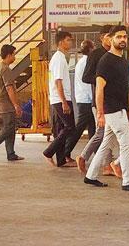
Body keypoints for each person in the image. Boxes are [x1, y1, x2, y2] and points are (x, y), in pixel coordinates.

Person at [84, 25, 129, 192]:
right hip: (111, 110)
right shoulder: (105, 61)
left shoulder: (123, 61)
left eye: (125, 37)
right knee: (125, 144)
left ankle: (90, 176)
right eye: (119, 37)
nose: (123, 39)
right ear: (111, 39)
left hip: (121, 109)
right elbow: (99, 88)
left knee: (106, 143)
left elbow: (125, 88)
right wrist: (101, 113)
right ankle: (127, 181)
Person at [76, 26, 115, 174]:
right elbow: (86, 77)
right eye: (108, 36)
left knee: (108, 133)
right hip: (99, 101)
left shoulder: (115, 54)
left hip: (113, 101)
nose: (111, 39)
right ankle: (85, 156)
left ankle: (107, 165)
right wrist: (102, 80)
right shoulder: (96, 54)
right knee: (102, 132)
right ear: (101, 38)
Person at [0, 44, 24, 161]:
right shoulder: (5, 69)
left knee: (11, 128)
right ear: (9, 55)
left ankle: (11, 153)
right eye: (14, 54)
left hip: (0, 101)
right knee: (8, 128)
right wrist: (16, 104)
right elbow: (9, 88)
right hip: (6, 103)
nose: (15, 57)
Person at [42, 30, 76, 167]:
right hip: (60, 99)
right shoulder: (59, 58)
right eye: (69, 40)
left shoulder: (60, 57)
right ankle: (48, 152)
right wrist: (64, 102)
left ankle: (61, 160)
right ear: (61, 42)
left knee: (61, 128)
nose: (71, 42)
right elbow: (58, 82)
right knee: (70, 127)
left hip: (59, 98)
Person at [68, 39, 96, 162]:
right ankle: (66, 151)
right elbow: (87, 83)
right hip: (86, 99)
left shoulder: (81, 61)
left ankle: (97, 153)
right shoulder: (87, 62)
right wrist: (93, 99)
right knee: (79, 128)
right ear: (90, 49)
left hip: (83, 98)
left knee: (93, 128)